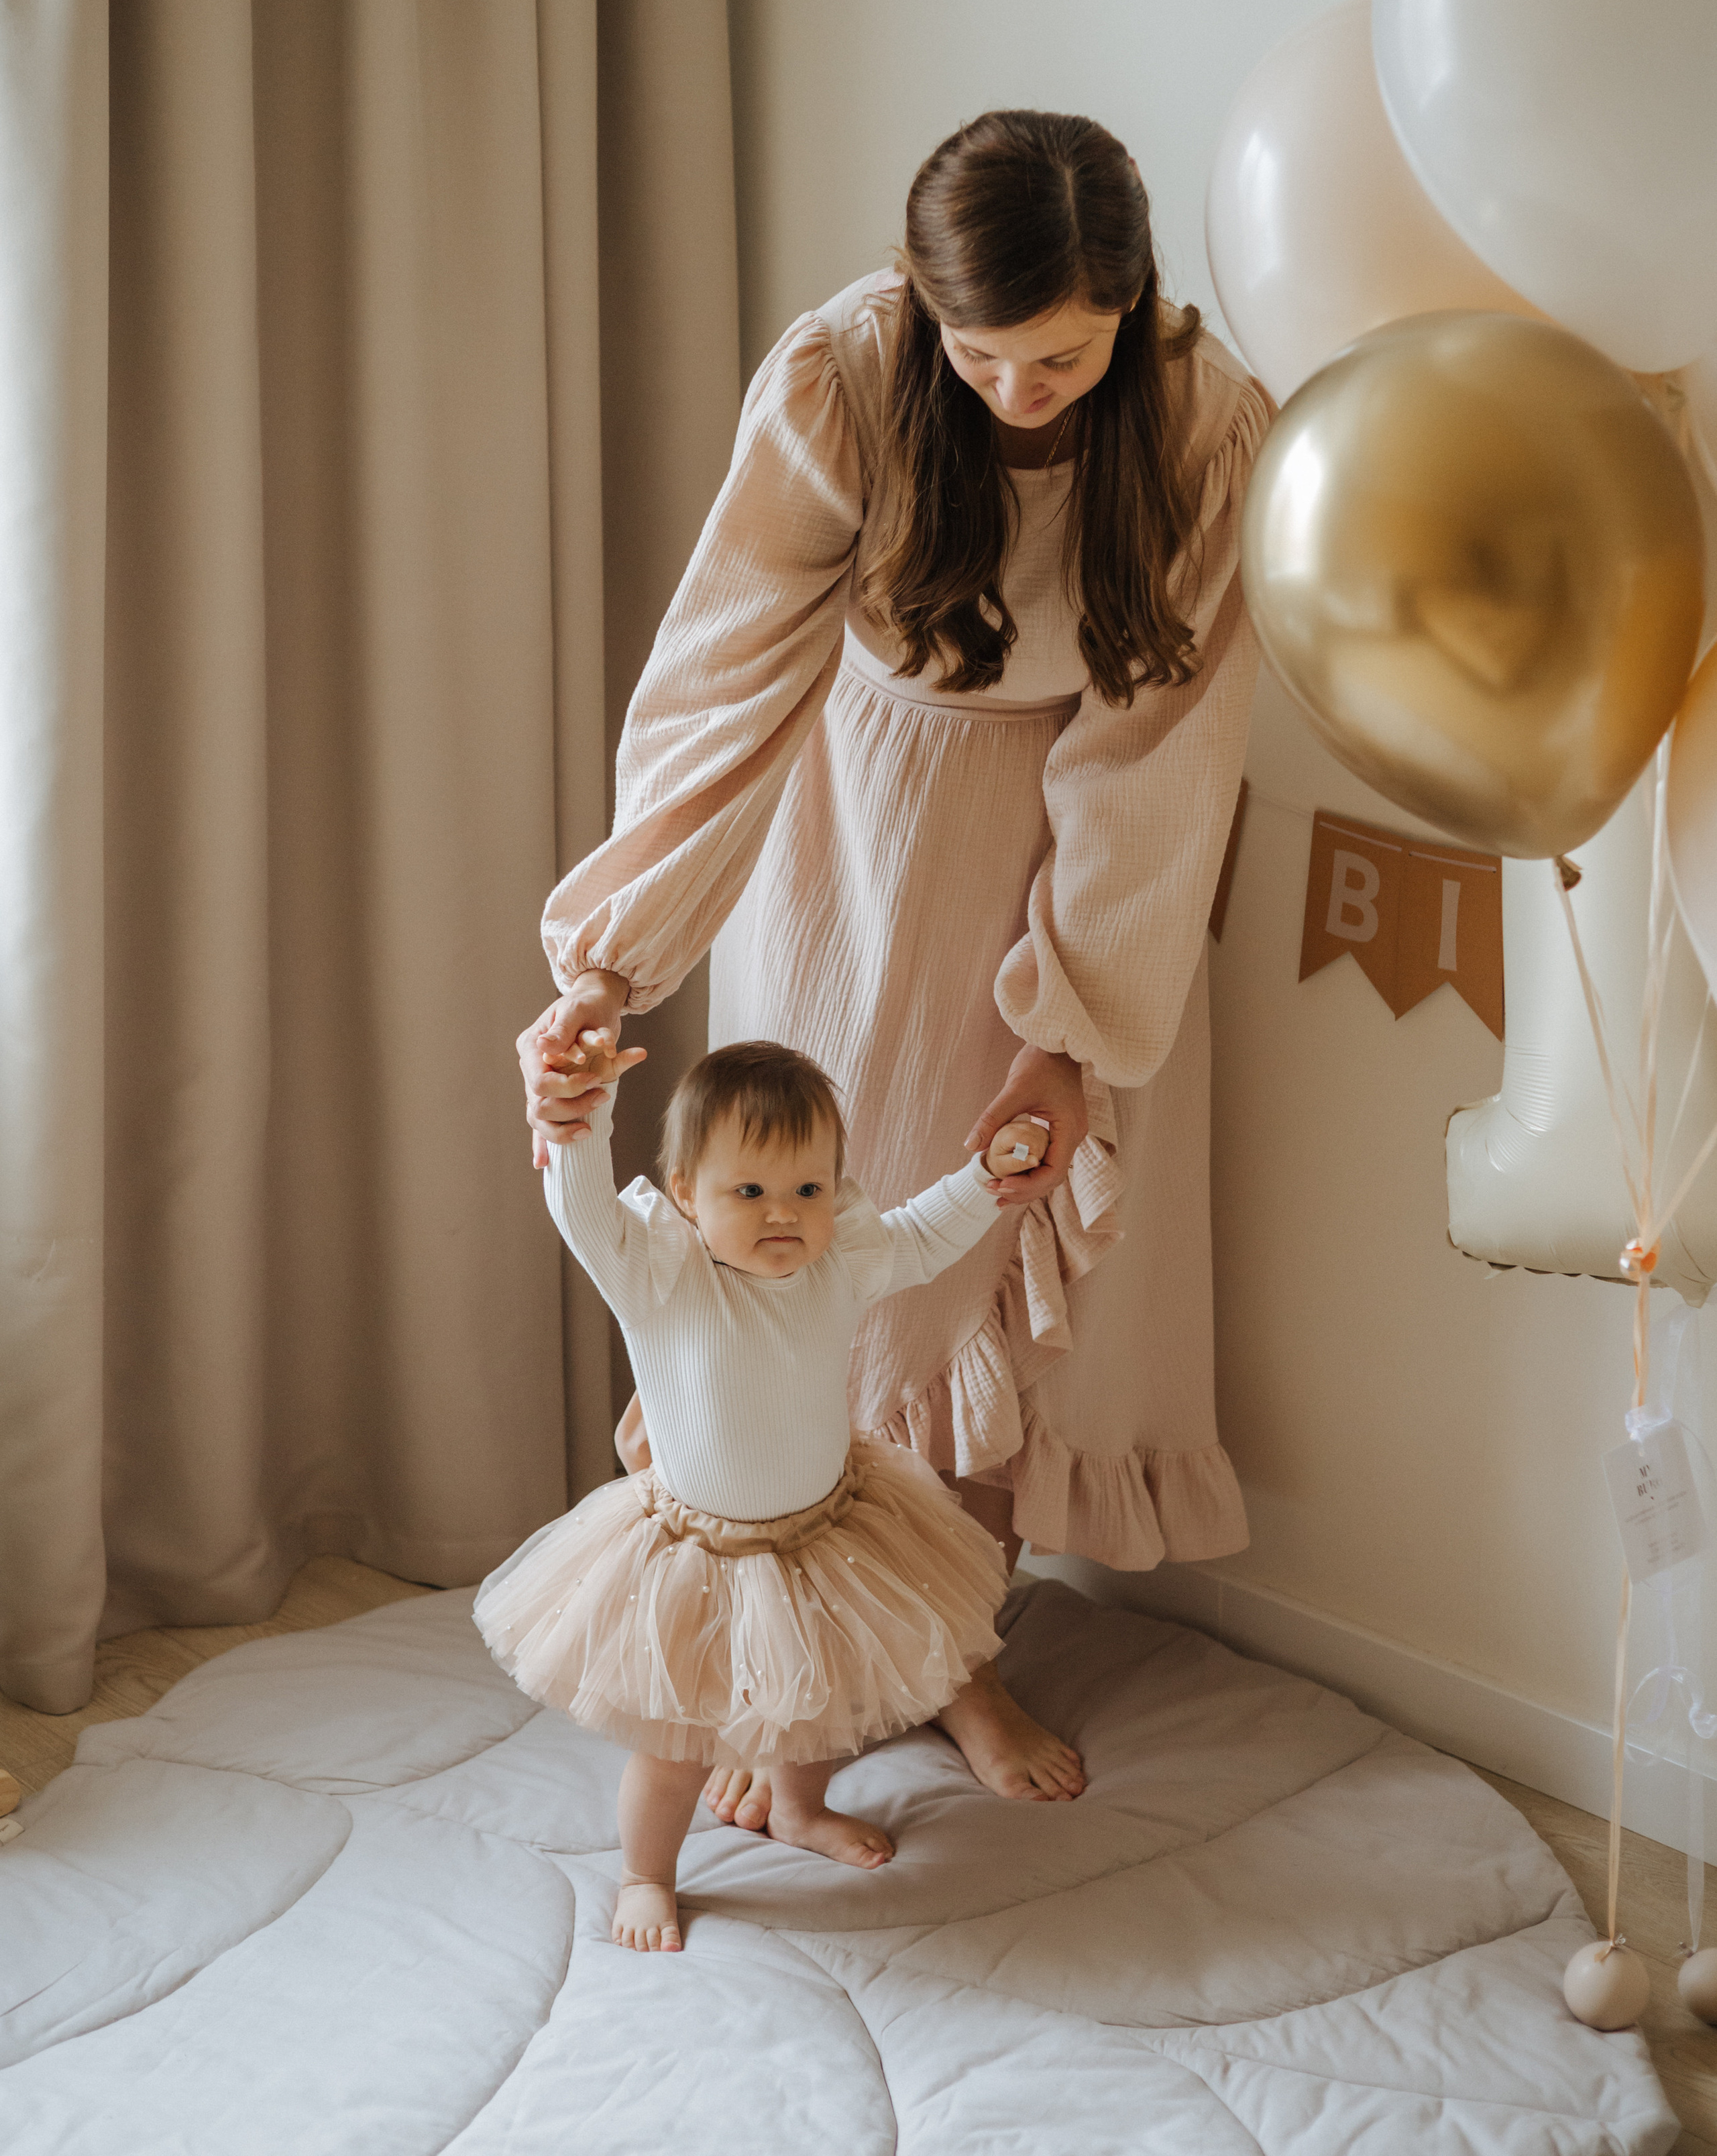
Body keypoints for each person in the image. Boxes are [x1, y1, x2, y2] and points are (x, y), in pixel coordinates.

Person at [518, 107, 1272, 1826]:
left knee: (1001, 1263)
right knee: (821, 1254)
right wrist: (610, 963)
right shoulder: (845, 383)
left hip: (1096, 871)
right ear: (926, 316)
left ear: (1131, 305)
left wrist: (1067, 1022)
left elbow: (1157, 750)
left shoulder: (1207, 424)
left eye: (1064, 355)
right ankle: (793, 1667)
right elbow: (721, 685)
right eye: (983, 354)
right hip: (858, 828)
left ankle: (955, 1657)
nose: (1021, 390)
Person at [476, 1038, 1023, 1952]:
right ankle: (648, 1872)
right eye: (750, 1192)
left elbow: (924, 1235)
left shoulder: (840, 1261)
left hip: (828, 1531)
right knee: (676, 1744)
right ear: (688, 1194)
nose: (785, 1215)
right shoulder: (661, 1276)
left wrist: (986, 1176)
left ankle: (799, 1811)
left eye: (808, 1190)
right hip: (699, 1553)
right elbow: (582, 1215)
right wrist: (584, 1114)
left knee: (819, 1706)